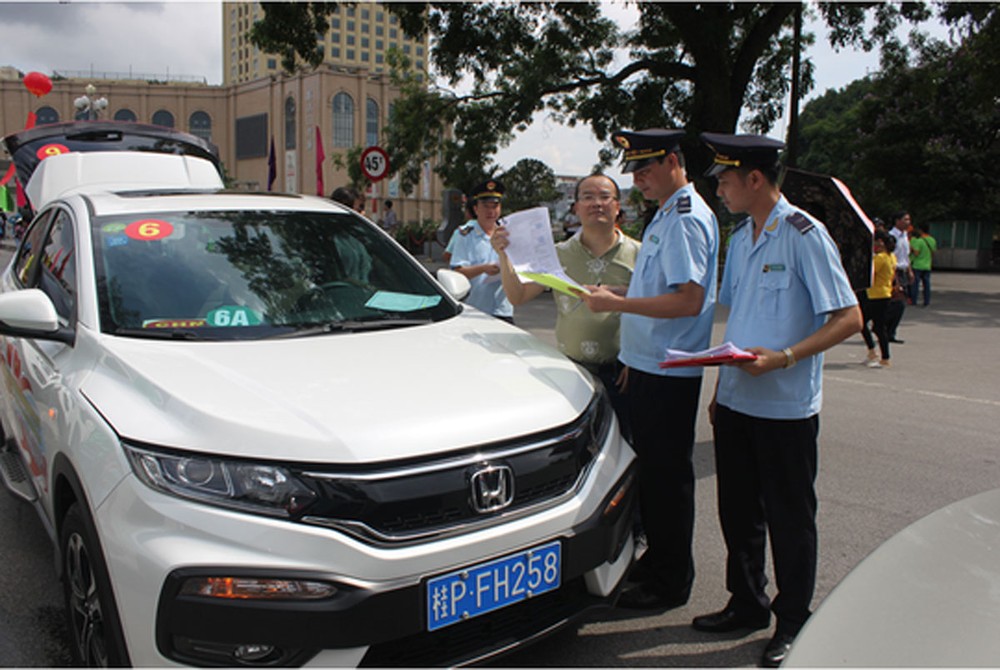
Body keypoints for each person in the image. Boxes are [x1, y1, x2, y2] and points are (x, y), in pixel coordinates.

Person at [693, 132, 862, 668]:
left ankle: (794, 620)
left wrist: (786, 357)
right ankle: (747, 603)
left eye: (724, 179)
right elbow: (739, 320)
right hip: (740, 401)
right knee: (738, 512)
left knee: (790, 518)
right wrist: (723, 389)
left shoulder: (804, 235)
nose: (718, 188)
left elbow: (849, 317)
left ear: (755, 179)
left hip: (786, 407)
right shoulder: (742, 237)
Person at [577, 129, 719, 612]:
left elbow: (688, 299)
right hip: (650, 366)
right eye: (634, 171)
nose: (638, 180)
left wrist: (620, 302)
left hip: (669, 371)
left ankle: (670, 581)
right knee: (655, 477)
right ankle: (659, 561)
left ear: (674, 161)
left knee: (668, 479)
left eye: (646, 168)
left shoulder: (684, 218)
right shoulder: (666, 215)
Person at [491, 172, 640, 441]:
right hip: (572, 370)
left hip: (623, 373)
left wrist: (637, 357)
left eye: (605, 197)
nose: (597, 203)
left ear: (618, 206)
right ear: (576, 207)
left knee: (626, 446)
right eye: (588, 197)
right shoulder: (557, 255)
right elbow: (519, 296)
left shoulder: (640, 254)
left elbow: (650, 312)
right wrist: (504, 256)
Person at [449, 180, 514, 322]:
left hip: (503, 310)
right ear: (476, 208)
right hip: (474, 310)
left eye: (495, 206)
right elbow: (458, 271)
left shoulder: (509, 233)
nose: (491, 211)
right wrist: (484, 269)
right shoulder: (465, 234)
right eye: (485, 206)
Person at [860, 231, 897, 368]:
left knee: (864, 324)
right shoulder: (892, 257)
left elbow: (870, 274)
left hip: (875, 295)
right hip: (885, 293)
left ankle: (878, 354)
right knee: (877, 326)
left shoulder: (880, 258)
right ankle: (879, 354)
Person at [886, 211, 913, 342]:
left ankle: (890, 331)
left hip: (903, 271)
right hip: (894, 271)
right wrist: (894, 277)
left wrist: (910, 271)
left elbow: (905, 256)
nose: (908, 222)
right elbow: (891, 257)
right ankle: (884, 328)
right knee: (898, 303)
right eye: (905, 219)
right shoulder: (891, 236)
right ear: (897, 221)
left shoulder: (905, 236)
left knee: (900, 303)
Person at [909, 222, 936, 306]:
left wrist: (911, 249)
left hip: (917, 265)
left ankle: (914, 300)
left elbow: (916, 253)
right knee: (926, 284)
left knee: (915, 284)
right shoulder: (932, 240)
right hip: (927, 265)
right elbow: (933, 253)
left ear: (920, 230)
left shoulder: (919, 241)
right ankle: (926, 301)